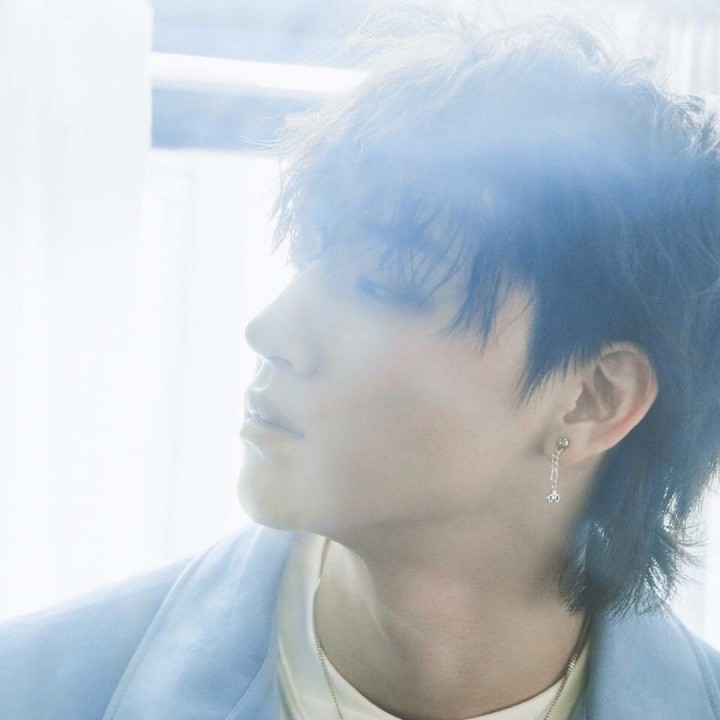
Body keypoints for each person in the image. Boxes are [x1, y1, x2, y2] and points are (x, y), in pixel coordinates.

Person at [3, 6, 720, 720]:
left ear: (594, 399)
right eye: (310, 260)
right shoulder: (34, 687)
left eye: (383, 284)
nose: (271, 330)